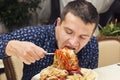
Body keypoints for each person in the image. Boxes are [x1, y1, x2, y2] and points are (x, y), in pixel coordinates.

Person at [0, 0, 99, 80]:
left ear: (90, 36)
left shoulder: (92, 44)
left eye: (82, 37)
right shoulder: (36, 36)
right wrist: (10, 46)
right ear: (58, 23)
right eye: (68, 32)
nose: (73, 42)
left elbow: (90, 75)